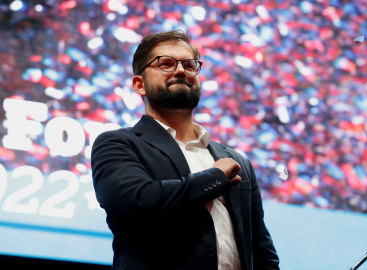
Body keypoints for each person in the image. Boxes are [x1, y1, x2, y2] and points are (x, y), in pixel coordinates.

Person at [91, 29, 280, 270]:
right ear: (140, 85)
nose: (181, 71)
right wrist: (216, 177)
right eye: (166, 64)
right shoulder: (118, 143)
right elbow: (137, 201)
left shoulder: (236, 160)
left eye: (190, 65)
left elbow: (261, 250)